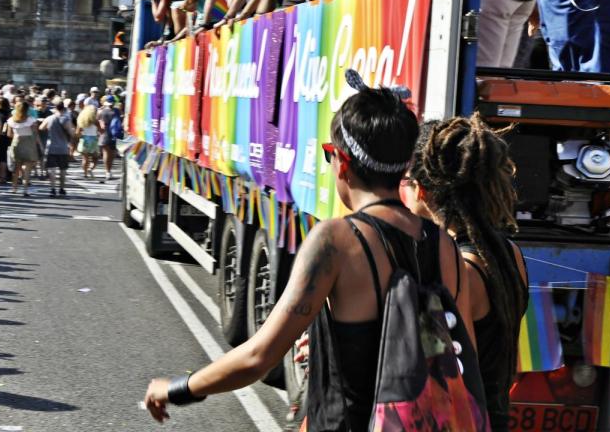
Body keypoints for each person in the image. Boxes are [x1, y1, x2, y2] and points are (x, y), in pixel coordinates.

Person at [143, 82, 466, 431]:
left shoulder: (336, 241)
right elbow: (460, 357)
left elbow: (258, 357)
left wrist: (177, 388)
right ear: (405, 165)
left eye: (329, 153)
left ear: (342, 163)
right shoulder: (444, 245)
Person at [405, 115, 529, 432]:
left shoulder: (459, 270)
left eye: (408, 182)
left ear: (422, 191)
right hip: (495, 417)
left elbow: (446, 370)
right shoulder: (509, 253)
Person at [41, 100, 75, 197]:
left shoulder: (49, 118)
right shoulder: (65, 119)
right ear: (63, 108)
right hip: (63, 147)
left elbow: (41, 128)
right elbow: (71, 133)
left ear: (55, 108)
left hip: (51, 147)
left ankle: (52, 189)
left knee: (52, 169)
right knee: (63, 169)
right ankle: (62, 188)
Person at [6, 100, 39, 197]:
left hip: (16, 142)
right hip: (28, 143)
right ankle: (25, 190)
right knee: (27, 168)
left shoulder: (11, 120)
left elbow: (9, 134)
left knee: (17, 168)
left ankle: (14, 188)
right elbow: (35, 132)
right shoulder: (31, 120)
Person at [76, 98, 100, 179]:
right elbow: (101, 131)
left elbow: (77, 132)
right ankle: (91, 169)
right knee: (95, 158)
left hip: (84, 139)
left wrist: (81, 136)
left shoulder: (81, 120)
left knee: (85, 158)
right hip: (93, 139)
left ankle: (85, 173)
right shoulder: (95, 121)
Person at [97, 96, 119, 182]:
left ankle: (107, 172)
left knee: (106, 153)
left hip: (104, 133)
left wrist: (100, 129)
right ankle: (109, 171)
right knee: (112, 154)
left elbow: (98, 121)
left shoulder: (101, 111)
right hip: (114, 134)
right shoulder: (116, 111)